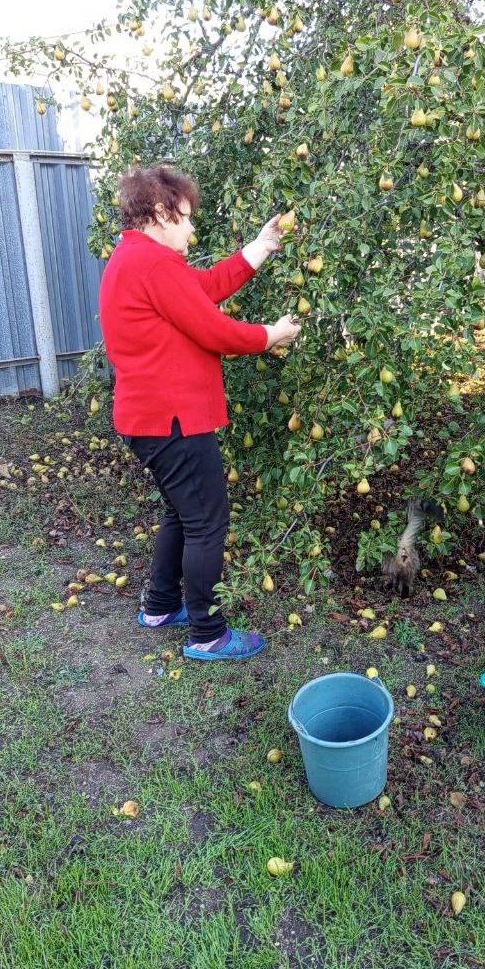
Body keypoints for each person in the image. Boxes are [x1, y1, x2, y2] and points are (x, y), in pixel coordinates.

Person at [98, 165, 301, 662]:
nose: (192, 229)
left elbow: (202, 291)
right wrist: (269, 336)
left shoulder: (138, 259)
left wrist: (260, 247)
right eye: (187, 218)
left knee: (182, 512)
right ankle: (208, 632)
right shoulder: (153, 265)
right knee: (208, 522)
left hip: (150, 420)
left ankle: (161, 606)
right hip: (173, 421)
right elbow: (214, 331)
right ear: (162, 213)